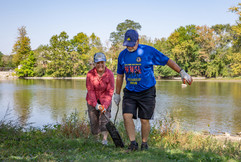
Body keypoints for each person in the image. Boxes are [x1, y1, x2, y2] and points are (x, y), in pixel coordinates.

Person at [113, 29, 193, 151]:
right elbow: (119, 76)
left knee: (144, 120)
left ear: (138, 41)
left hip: (147, 91)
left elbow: (167, 60)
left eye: (132, 44)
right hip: (130, 91)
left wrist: (181, 72)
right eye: (127, 45)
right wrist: (117, 94)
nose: (129, 47)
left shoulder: (148, 51)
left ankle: (144, 144)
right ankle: (133, 143)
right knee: (126, 116)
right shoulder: (122, 56)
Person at [86, 52, 114, 145]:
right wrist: (95, 104)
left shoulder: (109, 74)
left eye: (102, 62)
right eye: (98, 63)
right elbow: (90, 90)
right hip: (92, 100)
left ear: (105, 62)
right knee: (94, 121)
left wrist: (105, 106)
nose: (100, 65)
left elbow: (110, 91)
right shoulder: (90, 74)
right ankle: (96, 140)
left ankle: (104, 140)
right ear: (94, 64)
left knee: (104, 121)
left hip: (105, 100)